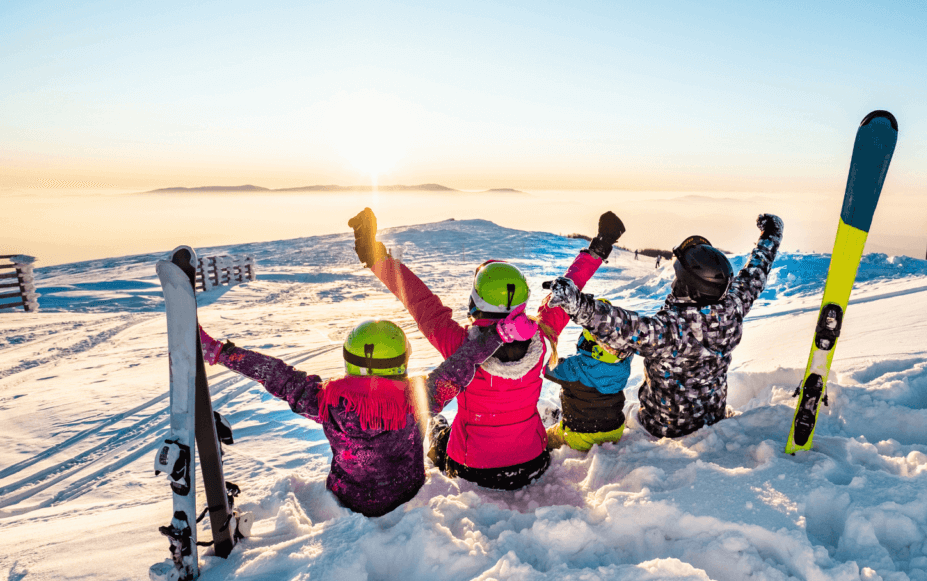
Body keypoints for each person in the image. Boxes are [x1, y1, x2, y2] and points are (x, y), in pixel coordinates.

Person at [348, 208, 626, 490]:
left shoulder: (459, 347)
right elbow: (569, 289)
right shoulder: (541, 338)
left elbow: (419, 301)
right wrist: (599, 246)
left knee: (439, 430)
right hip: (532, 462)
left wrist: (375, 257)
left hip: (472, 468)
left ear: (476, 301)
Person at [197, 310, 536, 517]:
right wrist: (499, 335)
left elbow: (275, 374)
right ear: (402, 361)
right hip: (407, 492)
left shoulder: (324, 400)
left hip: (349, 497)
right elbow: (462, 365)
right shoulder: (419, 400)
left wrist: (220, 352)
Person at [546, 213, 783, 439]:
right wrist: (770, 235)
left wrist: (577, 304)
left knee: (622, 415)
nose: (674, 281)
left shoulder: (671, 330)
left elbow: (621, 326)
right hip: (712, 417)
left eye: (678, 277)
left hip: (662, 427)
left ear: (687, 287)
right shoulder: (733, 307)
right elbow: (754, 275)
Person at [543, 306, 635, 452]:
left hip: (580, 436)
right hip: (615, 431)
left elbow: (546, 367)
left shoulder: (573, 367)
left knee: (544, 438)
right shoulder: (624, 364)